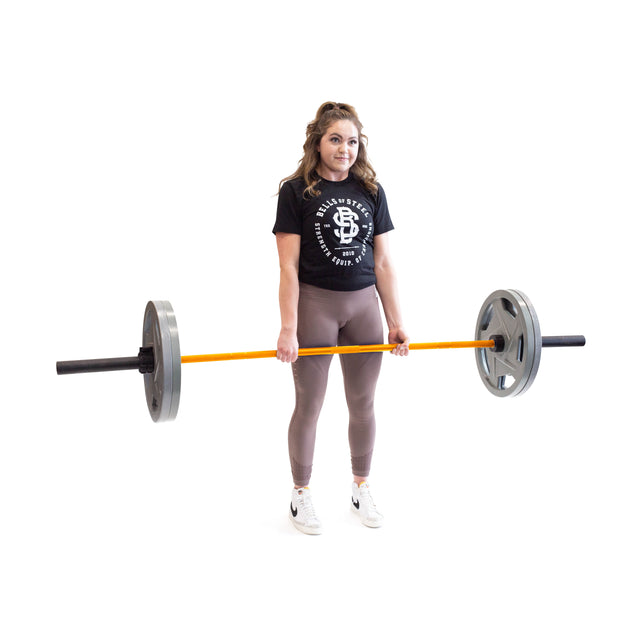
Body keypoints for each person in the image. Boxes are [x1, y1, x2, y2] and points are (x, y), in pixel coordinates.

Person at [273, 101, 409, 535]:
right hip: (316, 307)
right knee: (309, 406)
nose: (344, 149)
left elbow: (384, 264)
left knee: (363, 404)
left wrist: (396, 321)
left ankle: (360, 486)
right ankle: (301, 494)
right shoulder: (296, 192)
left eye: (352, 141)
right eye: (335, 139)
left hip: (364, 308)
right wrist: (289, 329)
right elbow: (288, 268)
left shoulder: (371, 191)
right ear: (318, 142)